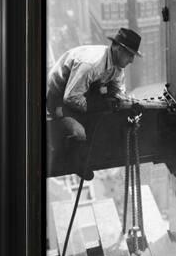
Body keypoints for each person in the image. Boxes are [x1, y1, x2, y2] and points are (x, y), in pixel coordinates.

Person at [47, 27, 142, 180]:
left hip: (81, 94)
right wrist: (99, 105)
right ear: (117, 48)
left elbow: (118, 92)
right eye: (130, 55)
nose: (131, 60)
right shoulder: (92, 64)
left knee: (105, 117)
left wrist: (128, 103)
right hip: (57, 99)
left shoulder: (117, 66)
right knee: (80, 132)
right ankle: (75, 162)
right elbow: (70, 98)